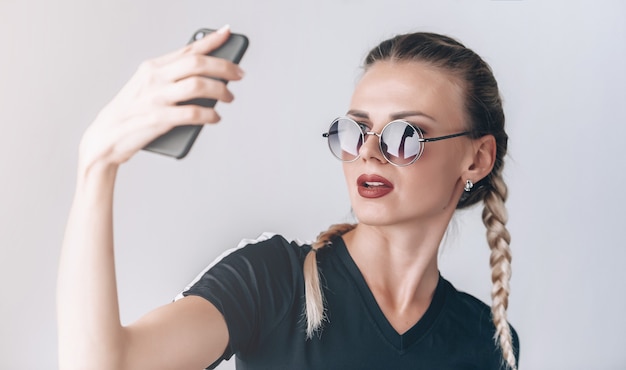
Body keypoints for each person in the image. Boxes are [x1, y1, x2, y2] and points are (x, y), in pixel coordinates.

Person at [57, 24, 520, 370]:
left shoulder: (488, 343)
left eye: (406, 134)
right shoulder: (274, 280)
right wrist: (95, 167)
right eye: (355, 130)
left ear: (476, 159)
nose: (370, 152)